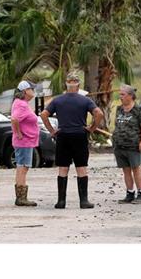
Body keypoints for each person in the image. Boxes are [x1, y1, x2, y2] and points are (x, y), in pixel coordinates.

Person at [40, 72, 105, 209]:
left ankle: (61, 201)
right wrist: (92, 128)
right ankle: (83, 201)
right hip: (79, 135)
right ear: (78, 85)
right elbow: (99, 113)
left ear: (66, 84)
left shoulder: (58, 100)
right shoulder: (85, 100)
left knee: (63, 168)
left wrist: (52, 131)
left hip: (63, 135)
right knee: (81, 167)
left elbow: (44, 114)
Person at [112, 84, 141, 204]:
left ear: (130, 96)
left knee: (136, 169)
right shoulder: (119, 109)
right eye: (120, 94)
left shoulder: (138, 110)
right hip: (119, 145)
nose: (120, 96)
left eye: (123, 94)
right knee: (126, 170)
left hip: (133, 145)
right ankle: (130, 193)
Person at [11, 80, 39, 206]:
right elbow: (15, 119)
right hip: (24, 142)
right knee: (23, 167)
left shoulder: (22, 103)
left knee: (21, 167)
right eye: (31, 88)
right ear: (25, 91)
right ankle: (21, 198)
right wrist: (18, 133)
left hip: (26, 141)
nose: (33, 90)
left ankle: (20, 197)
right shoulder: (21, 104)